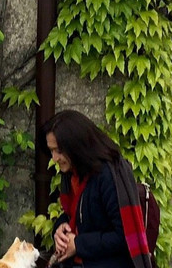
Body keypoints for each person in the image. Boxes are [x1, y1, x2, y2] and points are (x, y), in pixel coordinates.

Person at [44, 110, 153, 268]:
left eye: (59, 150)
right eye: (51, 150)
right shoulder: (74, 171)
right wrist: (60, 229)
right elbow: (76, 215)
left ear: (76, 145)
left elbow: (124, 236)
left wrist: (79, 244)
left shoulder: (110, 174)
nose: (54, 158)